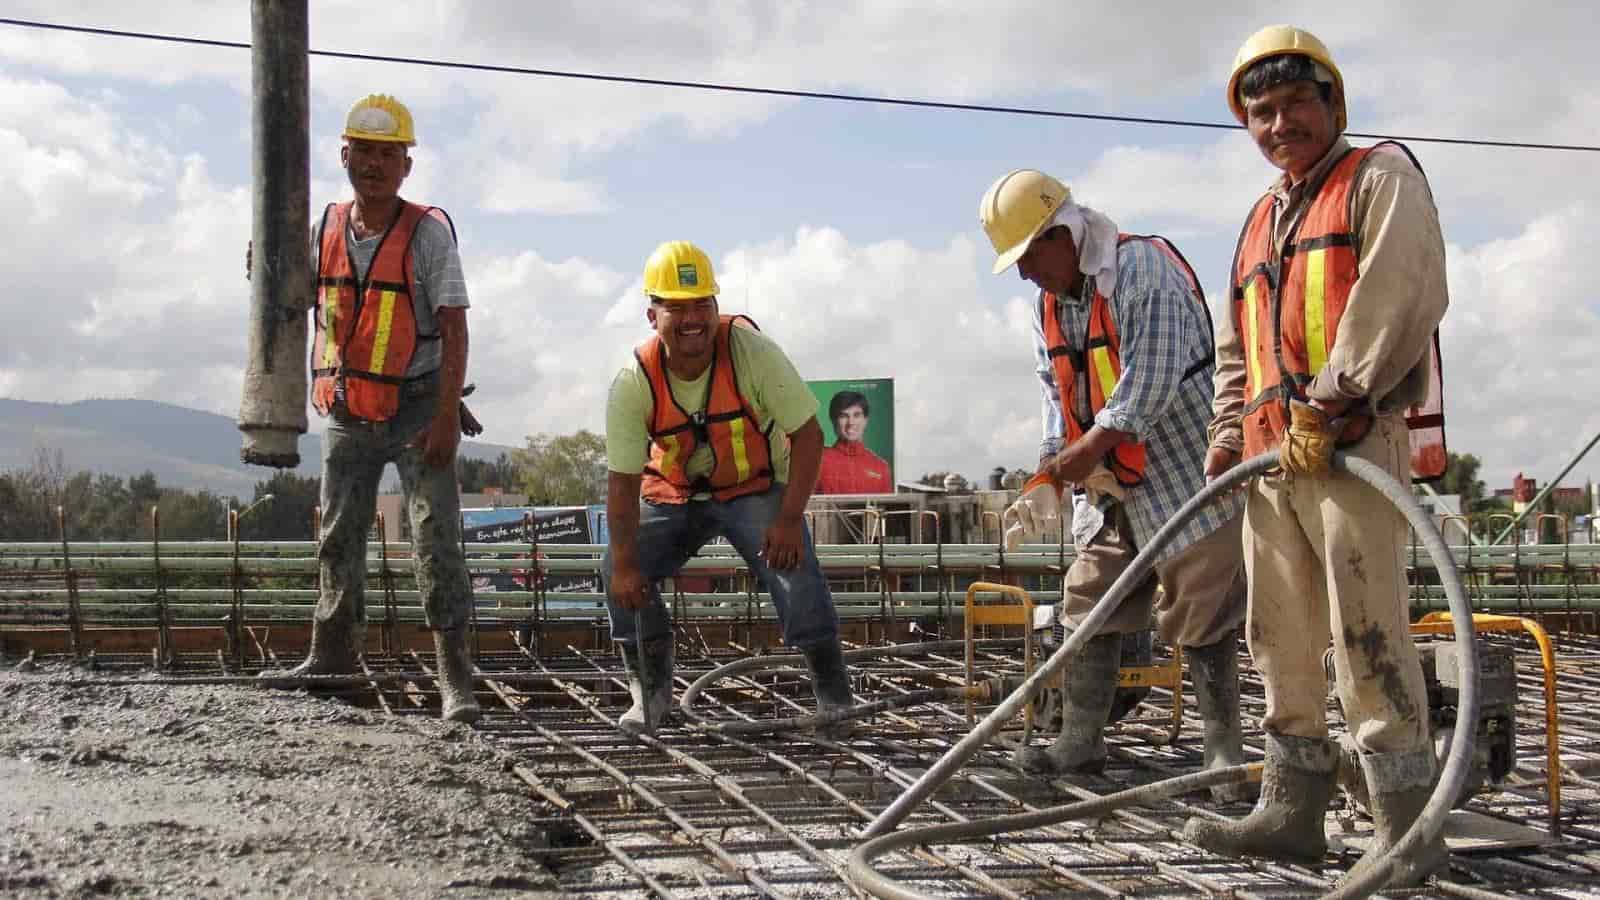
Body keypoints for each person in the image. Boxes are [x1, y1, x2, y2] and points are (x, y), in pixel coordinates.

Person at [1185, 26, 1450, 889]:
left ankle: (1406, 834)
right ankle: (1292, 814)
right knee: (1280, 639)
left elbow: (1396, 291)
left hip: (1349, 442)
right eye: (1260, 111)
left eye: (1297, 103)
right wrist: (1229, 433)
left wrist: (1335, 395)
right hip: (1270, 461)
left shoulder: (1379, 179)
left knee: (1365, 633)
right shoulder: (1261, 218)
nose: (1279, 122)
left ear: (1334, 104)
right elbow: (1240, 344)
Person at [980, 169, 1250, 801]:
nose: (1023, 274)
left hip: (1183, 469)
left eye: (1027, 257)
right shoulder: (1051, 302)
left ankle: (1222, 754)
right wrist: (1052, 463)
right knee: (1090, 597)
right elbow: (1056, 390)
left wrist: (1078, 457)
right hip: (1110, 480)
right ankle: (1081, 738)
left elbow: (1147, 386)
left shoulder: (1141, 272)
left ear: (1062, 233)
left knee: (1203, 607)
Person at [256, 94, 479, 723]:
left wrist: (443, 416)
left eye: (388, 155)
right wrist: (265, 267)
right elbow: (291, 294)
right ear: (344, 155)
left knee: (435, 537)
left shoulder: (426, 234)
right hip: (351, 407)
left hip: (417, 406)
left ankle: (455, 679)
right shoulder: (325, 227)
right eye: (364, 153)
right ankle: (332, 657)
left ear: (406, 166)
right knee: (338, 535)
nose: (374, 166)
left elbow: (455, 330)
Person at [603, 240, 854, 738]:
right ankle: (650, 692)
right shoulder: (635, 382)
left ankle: (834, 697)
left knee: (793, 563)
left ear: (717, 306)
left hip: (753, 487)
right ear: (653, 315)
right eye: (677, 307)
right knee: (619, 565)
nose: (692, 318)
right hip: (674, 494)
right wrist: (627, 564)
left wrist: (786, 519)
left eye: (702, 305)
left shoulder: (750, 353)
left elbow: (808, 434)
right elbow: (622, 484)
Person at [816, 390, 892, 494]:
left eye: (856, 415)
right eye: (843, 416)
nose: (851, 422)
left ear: (865, 420)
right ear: (834, 421)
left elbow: (885, 509)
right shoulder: (818, 460)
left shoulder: (880, 467)